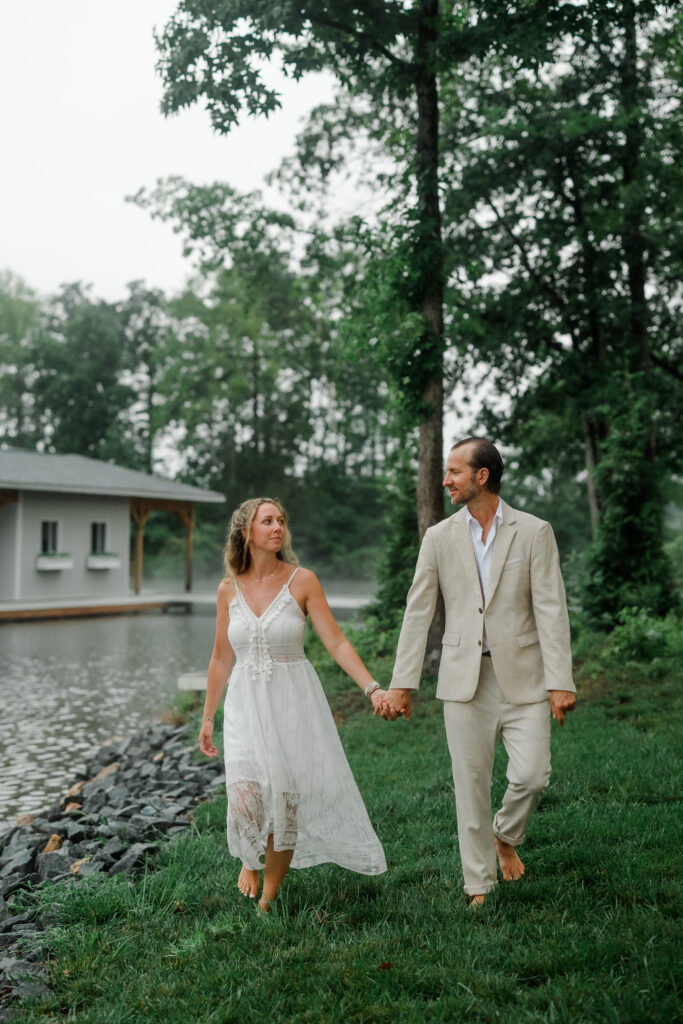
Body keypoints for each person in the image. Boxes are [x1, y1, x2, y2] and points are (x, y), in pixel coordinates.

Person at [382, 438, 576, 906]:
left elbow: (551, 609)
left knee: (533, 776)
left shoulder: (534, 532)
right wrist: (402, 683)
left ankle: (504, 835)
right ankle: (479, 885)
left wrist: (560, 681)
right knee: (470, 787)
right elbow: (418, 611)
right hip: (463, 680)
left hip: (525, 677)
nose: (445, 481)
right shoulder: (438, 537)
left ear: (481, 476)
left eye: (454, 472)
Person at [198, 496, 387, 913]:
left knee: (284, 797)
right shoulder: (228, 589)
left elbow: (336, 641)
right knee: (245, 793)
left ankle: (268, 897)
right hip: (244, 704)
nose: (277, 527)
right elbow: (220, 657)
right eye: (267, 521)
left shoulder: (303, 581)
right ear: (246, 532)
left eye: (281, 520)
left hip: (292, 702)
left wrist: (372, 689)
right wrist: (207, 717)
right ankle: (250, 858)